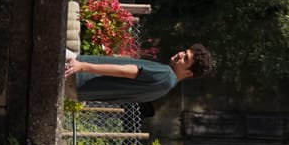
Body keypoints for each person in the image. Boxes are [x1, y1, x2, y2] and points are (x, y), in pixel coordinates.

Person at [66, 45, 213, 105]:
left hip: (78, 74)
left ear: (188, 73)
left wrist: (83, 66)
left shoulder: (166, 74)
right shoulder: (164, 89)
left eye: (185, 58)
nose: (181, 54)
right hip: (80, 89)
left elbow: (126, 71)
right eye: (184, 51)